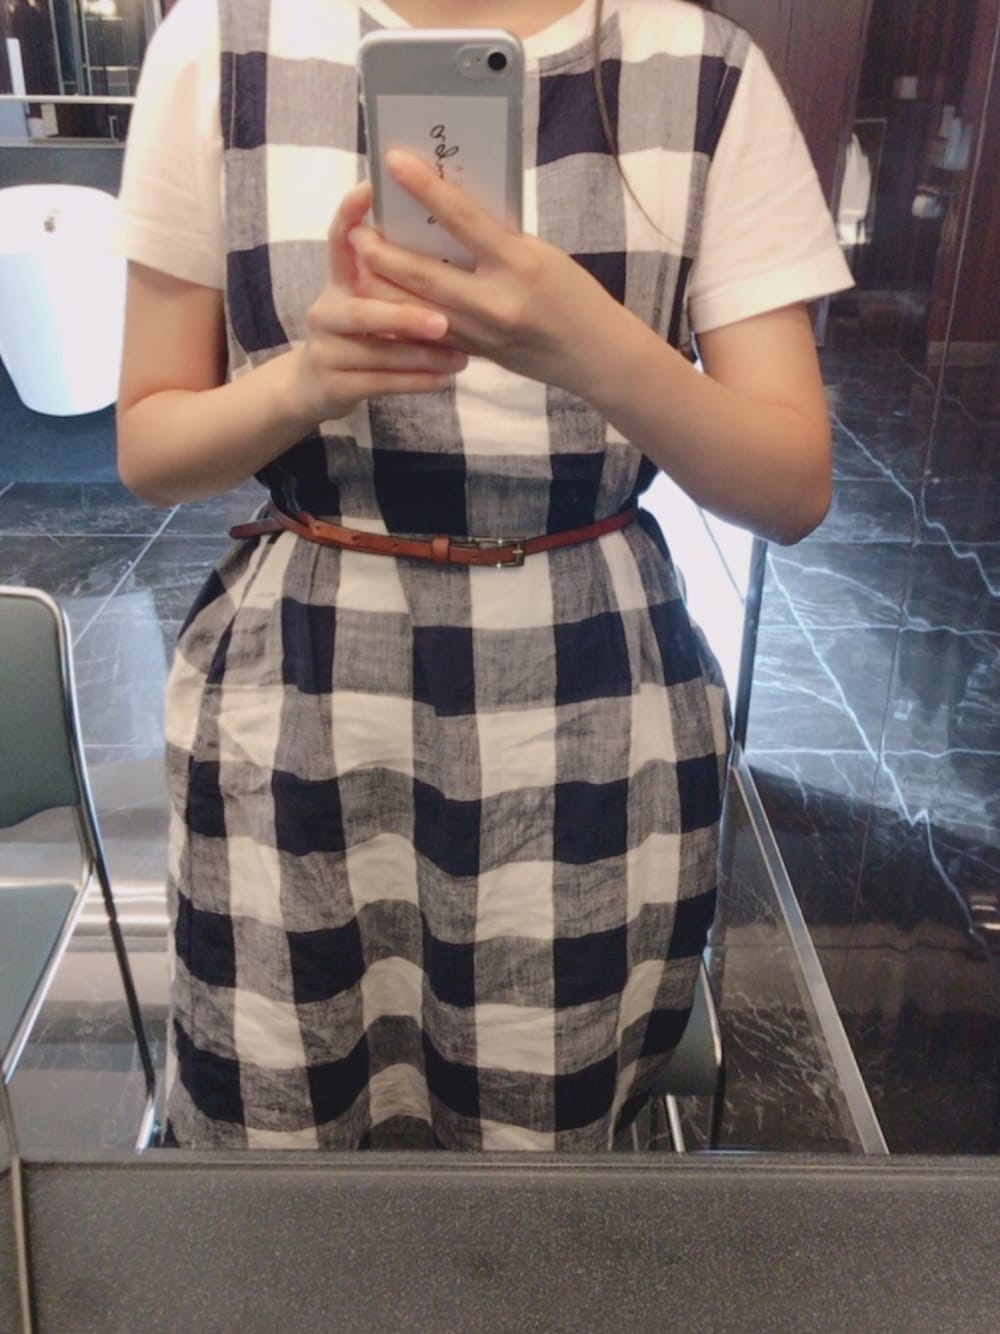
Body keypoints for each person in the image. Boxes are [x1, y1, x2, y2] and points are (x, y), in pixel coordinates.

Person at [115, 0, 852, 1151]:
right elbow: (150, 445)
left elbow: (791, 487)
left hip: (587, 696)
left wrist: (592, 345)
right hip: (301, 693)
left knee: (542, 1152)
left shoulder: (703, 74)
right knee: (281, 1138)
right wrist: (306, 380)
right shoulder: (219, 49)